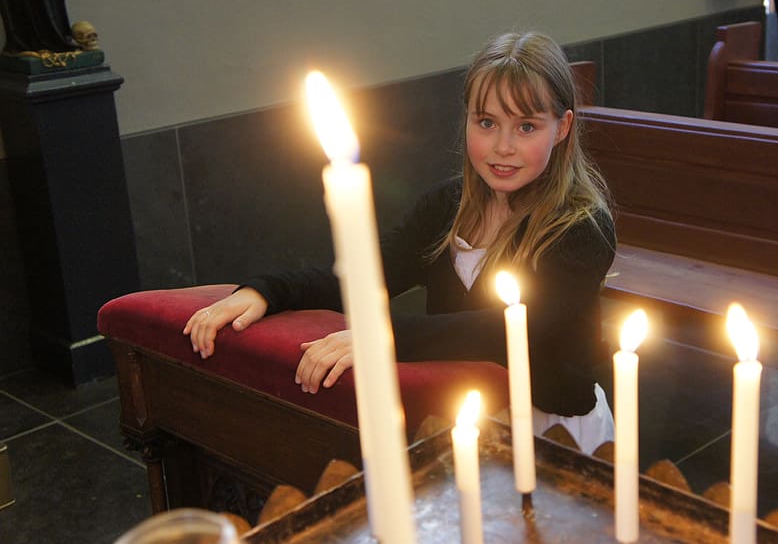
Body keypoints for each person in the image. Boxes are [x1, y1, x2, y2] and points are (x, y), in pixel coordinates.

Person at [183, 31, 617, 453]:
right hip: (468, 419)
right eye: (486, 122)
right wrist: (268, 292)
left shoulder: (582, 226)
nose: (502, 146)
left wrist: (382, 337)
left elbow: (511, 330)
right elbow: (363, 279)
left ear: (562, 129)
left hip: (555, 427)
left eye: (526, 127)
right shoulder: (446, 206)